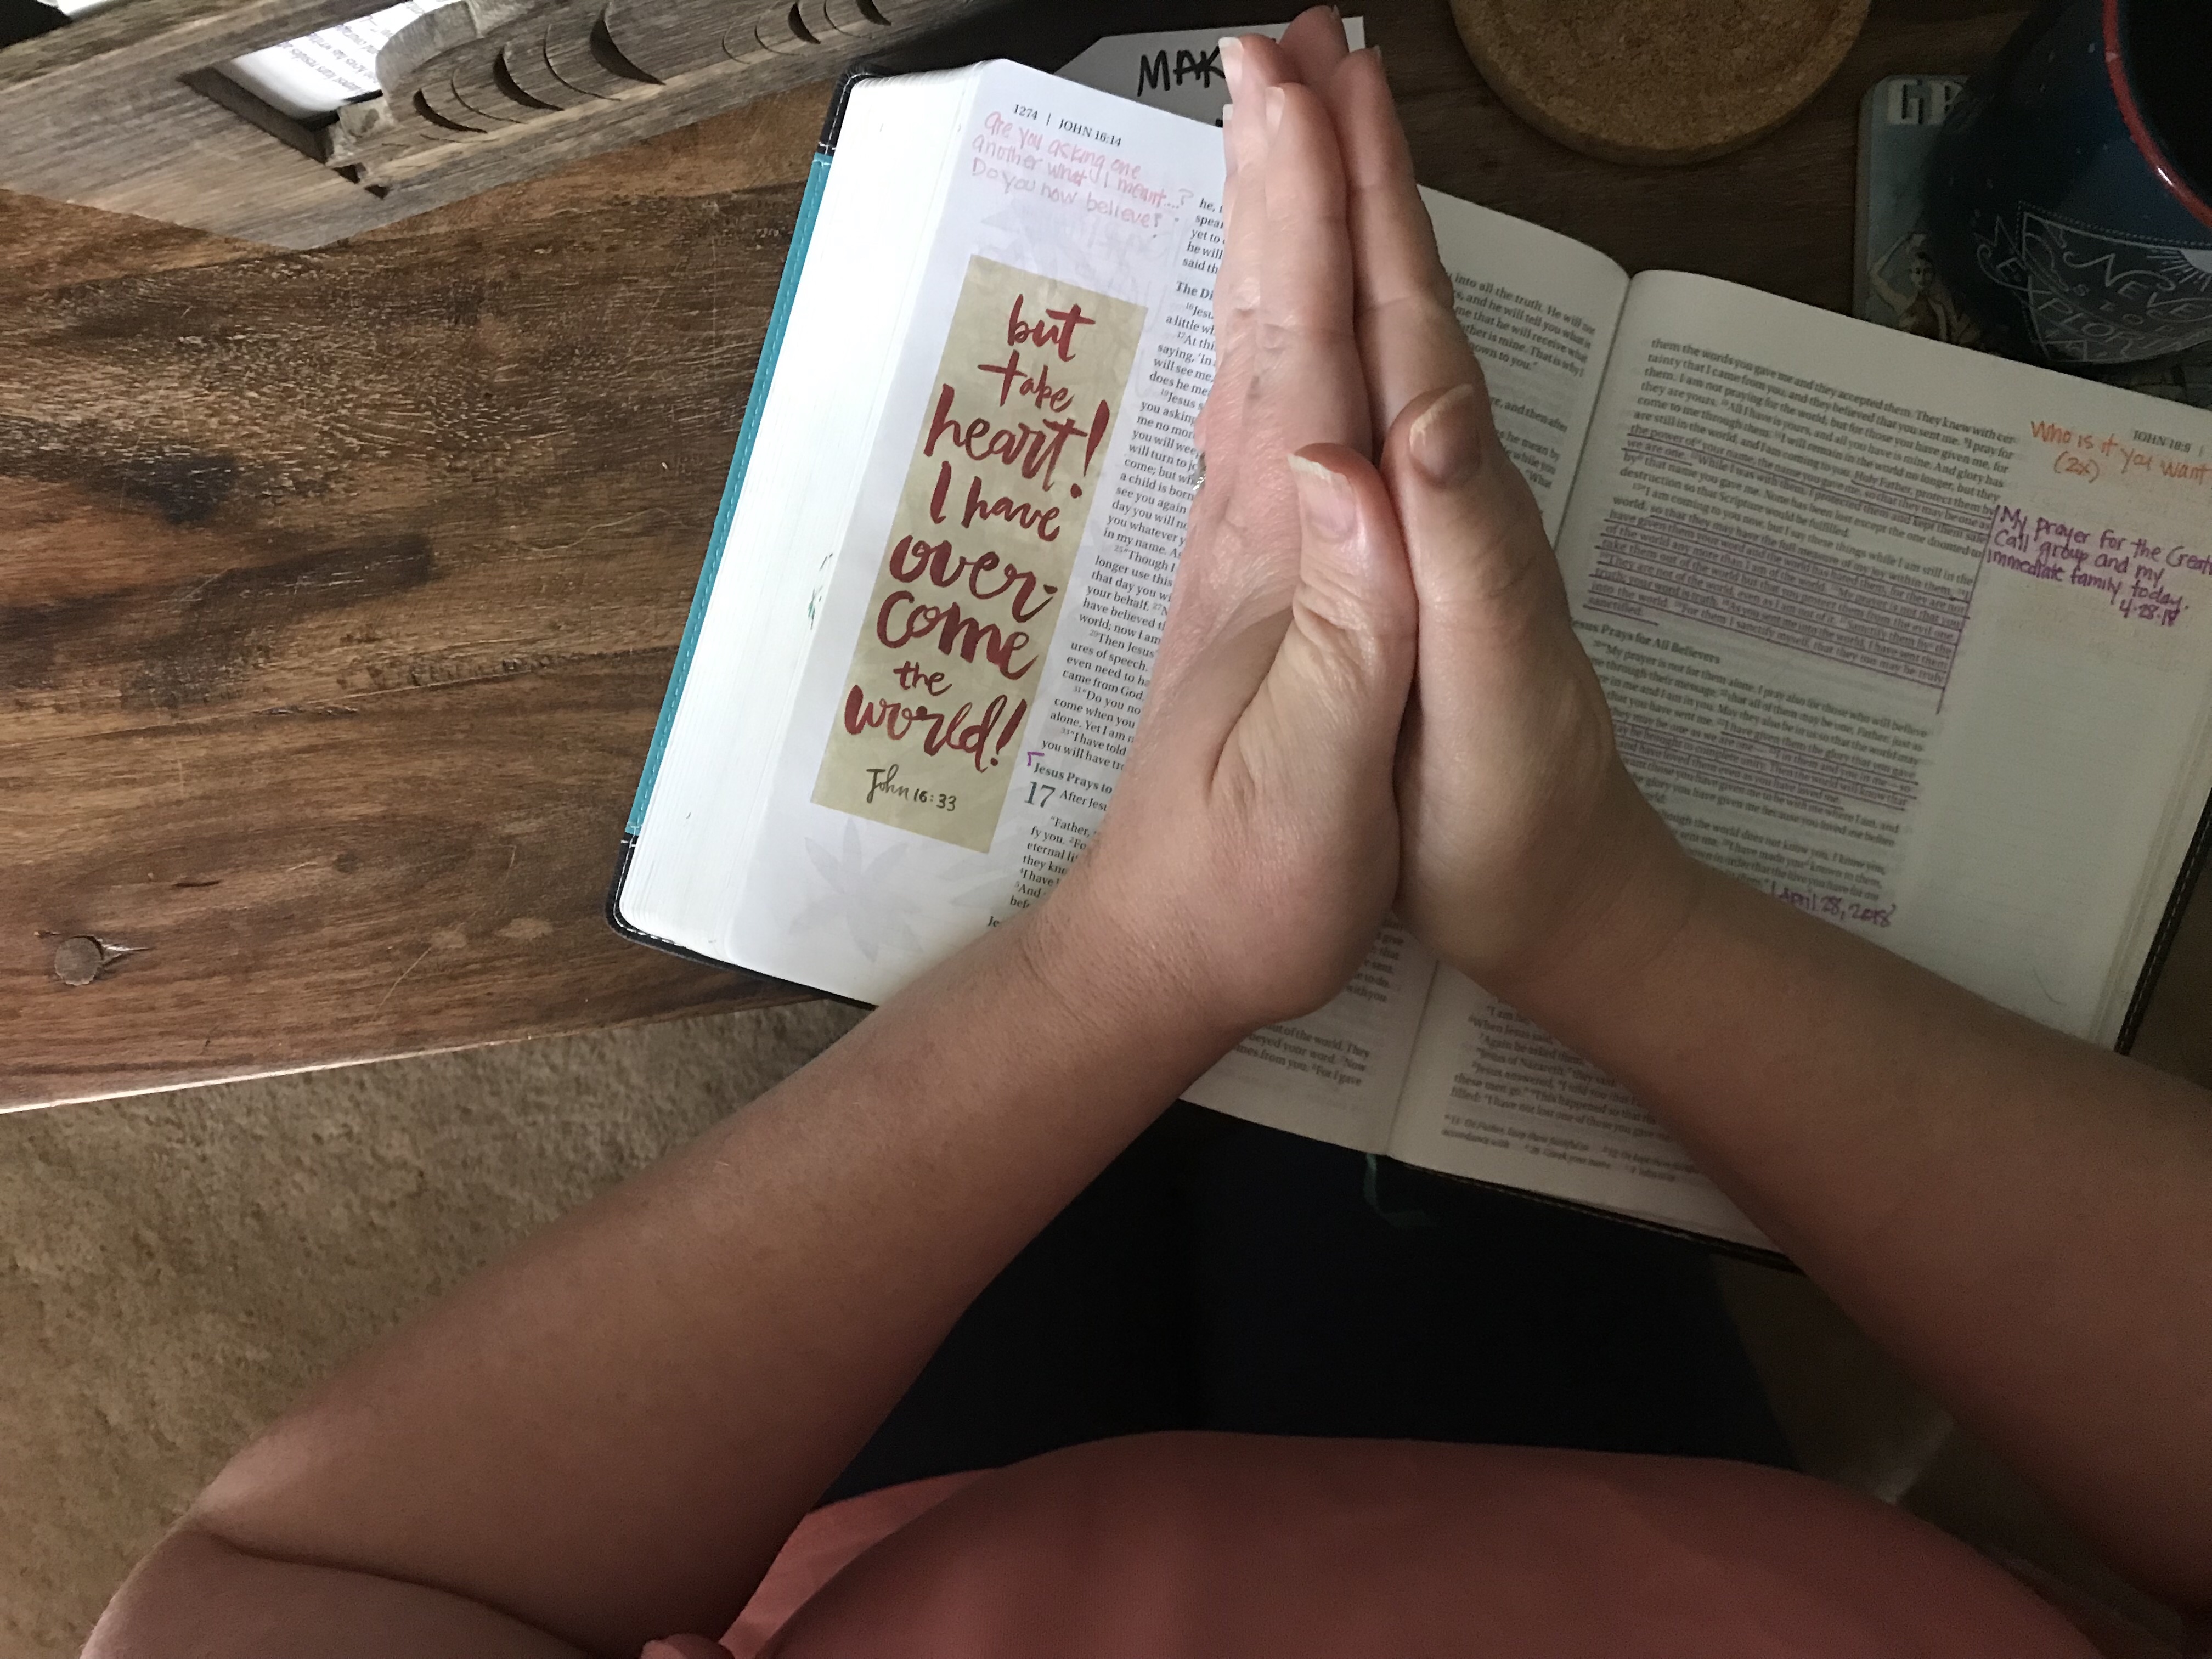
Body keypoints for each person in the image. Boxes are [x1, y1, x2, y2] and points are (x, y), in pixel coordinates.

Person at [87, 13, 2212, 1657]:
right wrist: (1597, 919)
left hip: (918, 1552)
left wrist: (1123, 963)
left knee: (1059, 1039)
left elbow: (311, 1584)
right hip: (1649, 1516)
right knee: (1370, 1133)